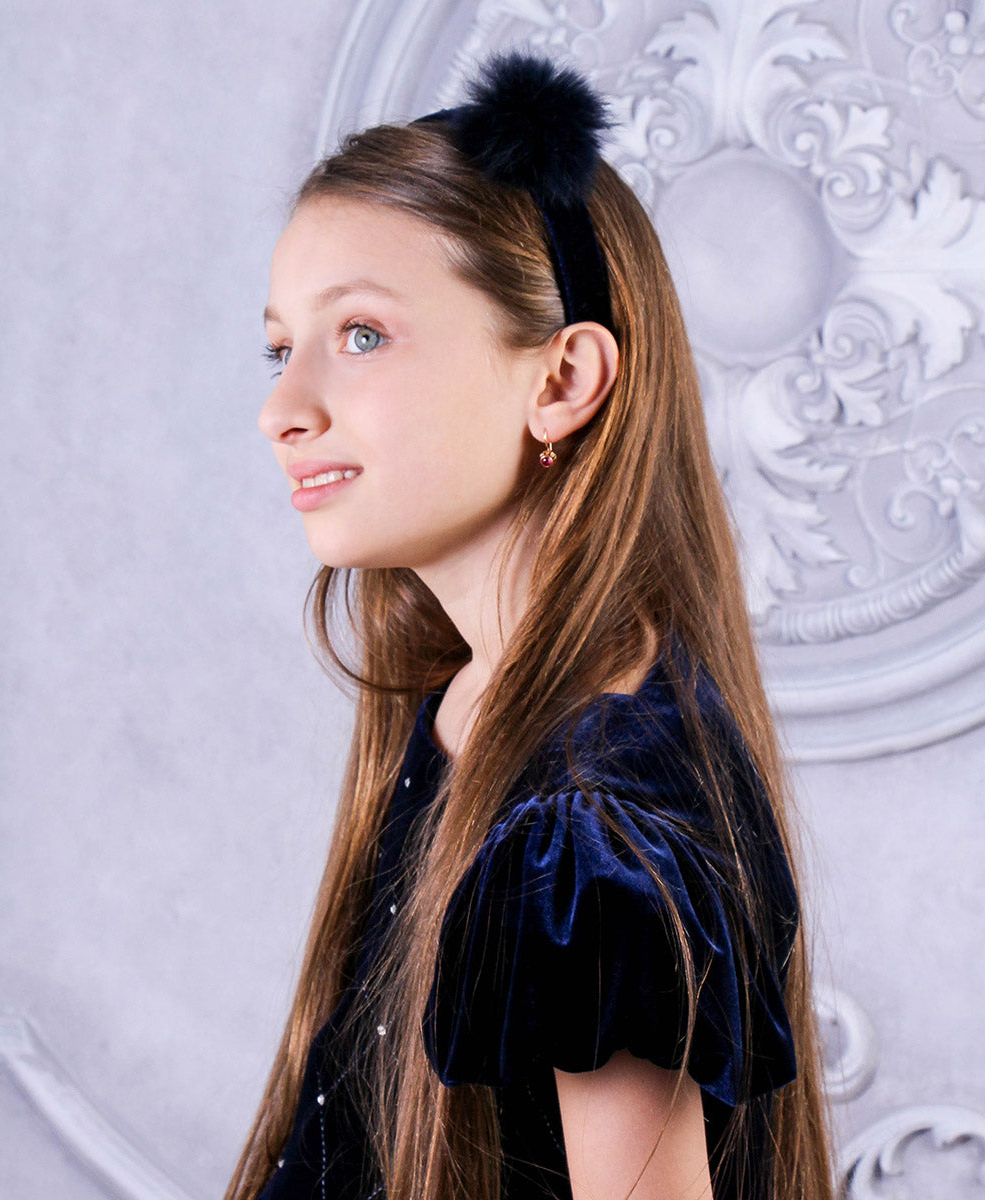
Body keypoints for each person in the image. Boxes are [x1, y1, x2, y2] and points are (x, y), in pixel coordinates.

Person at [226, 50, 835, 1200]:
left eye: (362, 335)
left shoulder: (588, 830)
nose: (281, 409)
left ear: (560, 382)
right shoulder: (461, 695)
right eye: (280, 347)